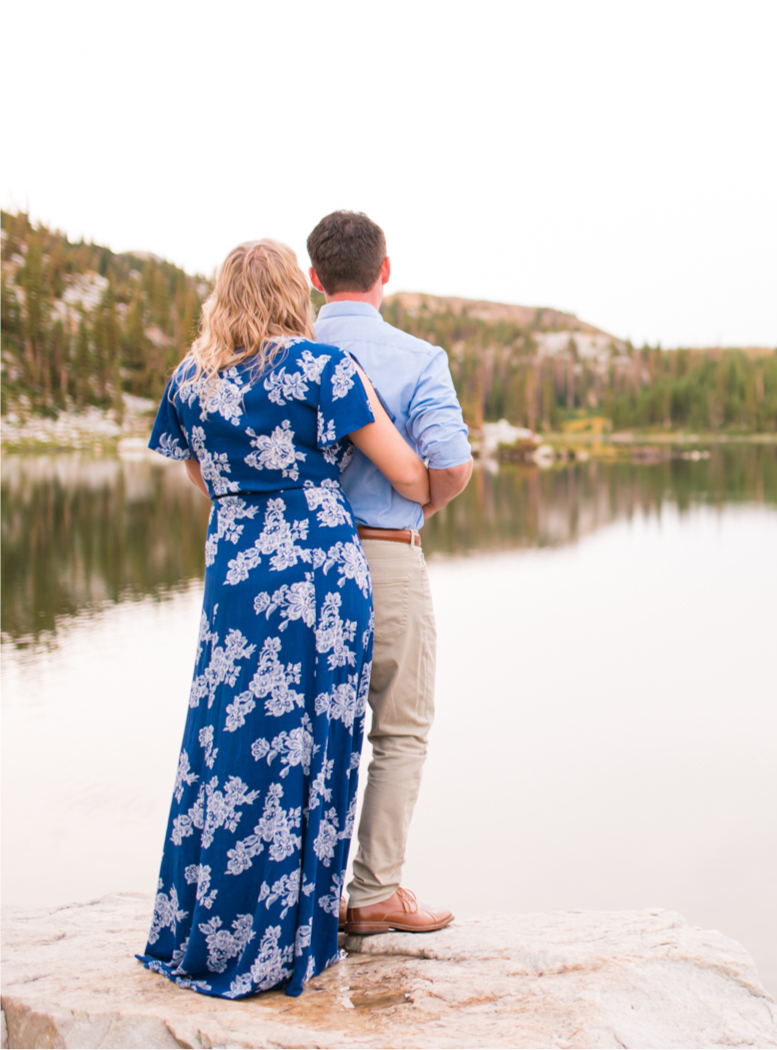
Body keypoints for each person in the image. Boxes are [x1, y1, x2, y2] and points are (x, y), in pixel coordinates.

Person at [139, 239, 431, 998]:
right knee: (312, 739)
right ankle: (292, 932)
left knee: (227, 740)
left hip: (236, 572)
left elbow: (206, 480)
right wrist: (432, 491)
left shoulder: (189, 379)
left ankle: (212, 924)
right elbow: (403, 469)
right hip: (317, 573)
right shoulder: (320, 369)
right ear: (292, 295)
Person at [306, 211, 472, 935]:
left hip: (299, 563)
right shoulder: (417, 356)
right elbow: (452, 466)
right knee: (399, 729)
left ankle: (299, 895)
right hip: (385, 552)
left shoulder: (286, 353)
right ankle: (375, 891)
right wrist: (424, 495)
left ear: (314, 277)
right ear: (385, 272)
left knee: (304, 726)